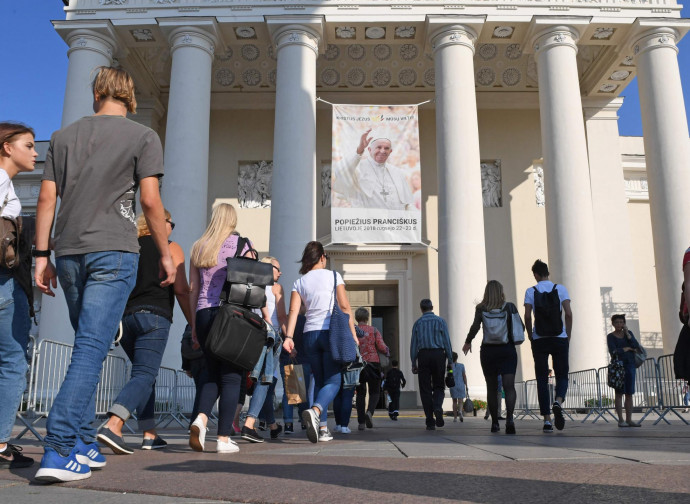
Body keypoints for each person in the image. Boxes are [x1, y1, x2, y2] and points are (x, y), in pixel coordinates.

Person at [34, 66, 175, 483]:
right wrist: (165, 254)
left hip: (71, 252)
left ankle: (80, 440)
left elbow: (46, 197)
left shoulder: (62, 137)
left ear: (97, 91)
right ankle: (58, 446)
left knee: (87, 345)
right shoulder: (142, 136)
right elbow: (150, 201)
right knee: (91, 349)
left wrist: (42, 255)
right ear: (129, 96)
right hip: (114, 249)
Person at [97, 211, 192, 453]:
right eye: (170, 223)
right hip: (155, 315)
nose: (172, 227)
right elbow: (181, 289)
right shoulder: (171, 247)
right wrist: (193, 323)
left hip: (127, 319)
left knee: (144, 375)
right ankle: (113, 424)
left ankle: (150, 434)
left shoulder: (129, 247)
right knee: (144, 374)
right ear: (161, 224)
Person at [188, 203, 257, 454]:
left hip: (204, 314)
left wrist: (194, 325)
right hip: (231, 315)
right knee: (231, 377)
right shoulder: (243, 245)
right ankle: (224, 439)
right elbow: (252, 282)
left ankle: (201, 419)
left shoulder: (198, 246)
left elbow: (193, 290)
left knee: (210, 372)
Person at [283, 241, 358, 443]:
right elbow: (344, 307)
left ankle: (323, 429)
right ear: (322, 257)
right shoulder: (334, 276)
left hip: (309, 336)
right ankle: (315, 411)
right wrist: (353, 335)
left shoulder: (300, 282)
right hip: (330, 333)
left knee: (318, 379)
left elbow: (294, 311)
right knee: (334, 381)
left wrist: (289, 337)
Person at [0, 122, 37, 470]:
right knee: (12, 363)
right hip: (4, 281)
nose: (35, 152)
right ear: (7, 147)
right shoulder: (1, 181)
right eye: (28, 145)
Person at [463, 281, 519, 434]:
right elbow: (520, 326)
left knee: (492, 388)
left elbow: (475, 326)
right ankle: (510, 420)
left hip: (488, 352)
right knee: (509, 387)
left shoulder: (481, 308)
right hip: (507, 350)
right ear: (501, 291)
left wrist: (468, 341)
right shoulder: (510, 307)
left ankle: (494, 423)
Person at [523, 259, 572, 433]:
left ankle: (547, 420)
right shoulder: (560, 289)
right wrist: (568, 335)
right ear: (548, 273)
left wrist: (530, 335)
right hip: (559, 337)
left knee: (542, 379)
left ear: (536, 274)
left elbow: (528, 316)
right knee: (562, 374)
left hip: (540, 338)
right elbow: (568, 313)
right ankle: (558, 401)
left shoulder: (531, 291)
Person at [334, 129, 415, 210]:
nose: (382, 151)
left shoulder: (397, 172)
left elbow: (407, 204)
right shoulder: (358, 168)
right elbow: (341, 172)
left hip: (396, 221)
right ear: (369, 150)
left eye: (386, 148)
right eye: (378, 147)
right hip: (369, 220)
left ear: (390, 151)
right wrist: (359, 149)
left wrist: (416, 218)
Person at [410, 299, 453, 431]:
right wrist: (450, 360)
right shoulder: (440, 321)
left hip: (423, 355)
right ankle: (438, 406)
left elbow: (414, 345)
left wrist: (413, 362)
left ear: (421, 308)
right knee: (439, 385)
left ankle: (430, 420)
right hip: (439, 354)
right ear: (432, 307)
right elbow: (447, 342)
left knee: (425, 388)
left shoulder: (417, 323)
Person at [354, 307, 389, 430]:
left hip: (359, 364)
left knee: (360, 393)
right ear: (367, 318)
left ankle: (361, 422)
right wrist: (387, 351)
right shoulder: (374, 330)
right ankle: (370, 412)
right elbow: (381, 346)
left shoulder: (354, 331)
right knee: (375, 392)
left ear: (357, 318)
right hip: (374, 363)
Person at [607, 314, 641, 427]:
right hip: (618, 366)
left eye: (621, 322)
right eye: (617, 322)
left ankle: (629, 419)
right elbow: (613, 351)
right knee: (619, 393)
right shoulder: (610, 336)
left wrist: (627, 334)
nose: (619, 324)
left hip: (630, 365)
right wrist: (626, 349)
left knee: (629, 393)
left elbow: (636, 346)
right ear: (613, 323)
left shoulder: (629, 334)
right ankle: (621, 420)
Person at [449, 353, 468, 423]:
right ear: (457, 358)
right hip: (461, 384)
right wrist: (466, 385)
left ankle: (455, 418)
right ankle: (460, 411)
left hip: (453, 385)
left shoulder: (450, 366)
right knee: (460, 401)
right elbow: (464, 376)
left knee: (454, 401)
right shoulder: (462, 365)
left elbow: (450, 375)